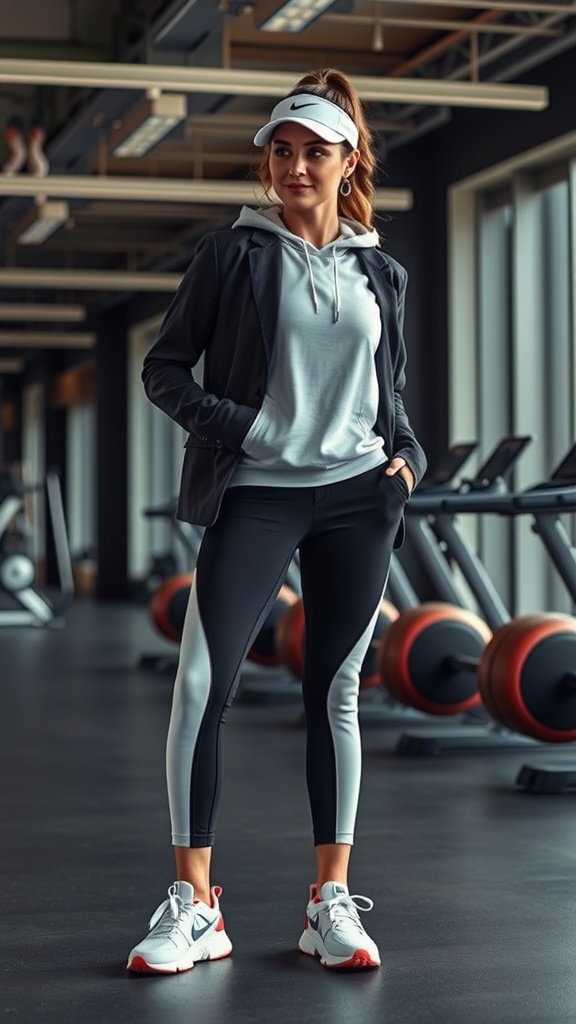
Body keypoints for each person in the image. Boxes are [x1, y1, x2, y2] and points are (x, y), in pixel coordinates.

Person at [127, 67, 426, 975]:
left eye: (314, 153)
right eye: (281, 152)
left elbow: (391, 388)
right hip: (255, 492)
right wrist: (247, 427)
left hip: (355, 498)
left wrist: (406, 455)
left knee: (335, 693)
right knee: (198, 688)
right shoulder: (234, 253)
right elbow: (165, 371)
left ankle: (328, 903)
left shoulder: (384, 269)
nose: (295, 168)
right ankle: (196, 905)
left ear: (349, 159)